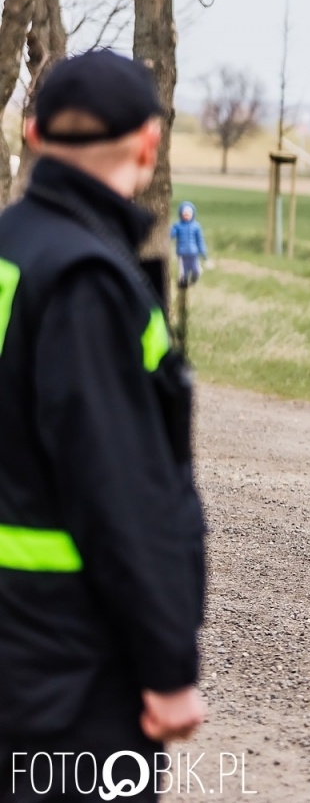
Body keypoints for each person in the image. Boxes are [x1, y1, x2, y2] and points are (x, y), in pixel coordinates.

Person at [0, 50, 207, 798]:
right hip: (67, 662)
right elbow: (123, 489)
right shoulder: (87, 278)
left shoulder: (10, 253)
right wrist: (167, 669)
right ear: (149, 144)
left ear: (32, 134)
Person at [169, 200, 207, 287]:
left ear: (192, 214)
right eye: (185, 214)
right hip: (182, 254)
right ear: (181, 214)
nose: (187, 216)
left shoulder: (196, 226)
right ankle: (183, 286)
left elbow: (200, 240)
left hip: (193, 253)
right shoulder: (177, 226)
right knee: (183, 273)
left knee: (196, 270)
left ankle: (193, 280)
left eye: (188, 214)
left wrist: (203, 252)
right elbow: (171, 235)